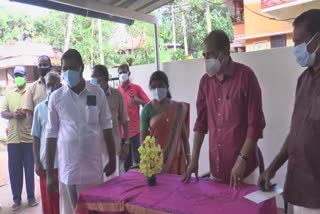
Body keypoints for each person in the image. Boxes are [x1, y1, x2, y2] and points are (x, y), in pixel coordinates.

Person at [183, 30, 266, 189]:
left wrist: (242, 160)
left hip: (244, 172)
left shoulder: (246, 77)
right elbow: (201, 124)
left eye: (211, 54)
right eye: (204, 55)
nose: (207, 59)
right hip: (217, 171)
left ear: (226, 51)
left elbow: (255, 126)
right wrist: (194, 160)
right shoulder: (205, 82)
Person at [259, 9, 320, 214]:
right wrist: (273, 167)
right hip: (299, 189)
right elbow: (297, 133)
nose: (295, 48)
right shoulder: (303, 80)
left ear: (317, 39)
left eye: (299, 41)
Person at [45, 49, 116, 214]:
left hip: (93, 170)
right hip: (70, 171)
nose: (68, 72)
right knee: (73, 211)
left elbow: (107, 126)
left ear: (81, 68)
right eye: (64, 69)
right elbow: (51, 135)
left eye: (72, 67)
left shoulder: (97, 93)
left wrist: (112, 158)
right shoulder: (56, 98)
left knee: (96, 210)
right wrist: (49, 174)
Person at [1, 66, 38, 211]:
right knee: (14, 171)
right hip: (13, 139)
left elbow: (36, 109)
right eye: (16, 75)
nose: (18, 78)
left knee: (30, 169)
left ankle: (31, 197)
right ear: (13, 77)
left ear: (25, 75)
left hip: (28, 137)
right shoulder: (9, 93)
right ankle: (16, 199)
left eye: (21, 75)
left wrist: (26, 113)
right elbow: (3, 113)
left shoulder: (31, 90)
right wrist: (13, 115)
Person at [140, 71, 191, 175]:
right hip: (156, 163)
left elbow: (184, 138)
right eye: (154, 86)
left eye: (160, 86)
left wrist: (189, 160)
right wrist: (149, 162)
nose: (157, 89)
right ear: (150, 88)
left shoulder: (178, 108)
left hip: (176, 161)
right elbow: (143, 140)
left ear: (167, 86)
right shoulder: (147, 110)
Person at [91, 64, 129, 177]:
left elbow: (125, 121)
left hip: (112, 149)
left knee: (113, 184)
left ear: (103, 79)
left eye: (94, 77)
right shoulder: (90, 95)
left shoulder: (117, 95)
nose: (91, 80)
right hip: (94, 150)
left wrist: (126, 143)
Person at [31, 71, 62, 214]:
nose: (52, 88)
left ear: (60, 85)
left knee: (65, 204)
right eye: (49, 85)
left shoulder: (66, 107)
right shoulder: (39, 109)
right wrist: (37, 161)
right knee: (49, 205)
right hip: (46, 166)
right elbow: (36, 137)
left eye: (56, 85)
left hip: (64, 164)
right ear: (46, 87)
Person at [118, 64, 150, 171]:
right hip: (123, 134)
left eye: (124, 72)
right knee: (126, 164)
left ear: (129, 73)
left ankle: (141, 185)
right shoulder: (117, 92)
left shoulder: (136, 88)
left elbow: (148, 104)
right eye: (120, 72)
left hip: (136, 132)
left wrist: (137, 100)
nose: (122, 74)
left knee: (140, 161)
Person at [24, 55, 52, 125]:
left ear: (50, 66)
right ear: (37, 68)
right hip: (40, 132)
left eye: (45, 65)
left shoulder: (59, 86)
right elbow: (29, 114)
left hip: (58, 132)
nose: (42, 67)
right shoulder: (31, 88)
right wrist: (35, 133)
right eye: (40, 65)